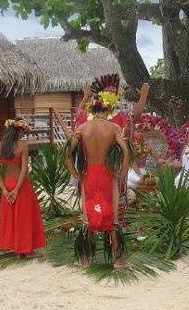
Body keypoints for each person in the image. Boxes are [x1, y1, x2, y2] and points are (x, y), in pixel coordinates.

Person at [65, 76, 130, 268]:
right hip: (107, 175)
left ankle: (85, 259)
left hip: (88, 176)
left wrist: (75, 173)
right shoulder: (114, 127)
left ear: (92, 110)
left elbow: (68, 153)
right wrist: (122, 171)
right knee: (113, 219)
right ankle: (117, 260)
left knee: (88, 217)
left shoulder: (83, 128)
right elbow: (126, 151)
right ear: (108, 109)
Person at [0, 118, 45, 257]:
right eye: (23, 132)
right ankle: (27, 250)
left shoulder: (0, 146)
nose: (23, 135)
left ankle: (16, 248)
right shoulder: (23, 145)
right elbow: (24, 170)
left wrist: (4, 189)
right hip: (21, 185)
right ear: (19, 131)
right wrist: (16, 190)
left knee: (12, 217)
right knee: (24, 217)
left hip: (7, 183)